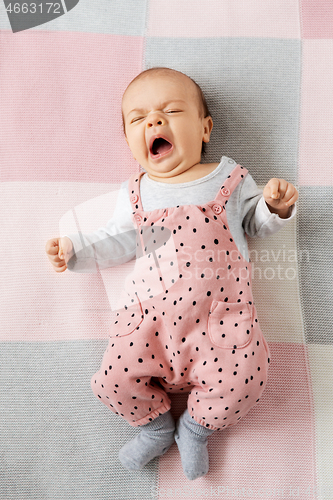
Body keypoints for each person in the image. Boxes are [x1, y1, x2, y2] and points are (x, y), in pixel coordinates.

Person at [46, 67, 298, 480]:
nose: (155, 121)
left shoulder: (230, 179)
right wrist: (75, 249)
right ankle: (155, 427)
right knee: (112, 379)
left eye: (171, 110)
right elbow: (117, 241)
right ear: (130, 142)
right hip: (149, 324)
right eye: (138, 118)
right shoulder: (136, 192)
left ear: (205, 128)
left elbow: (254, 223)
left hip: (221, 323)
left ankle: (195, 430)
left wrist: (275, 207)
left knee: (248, 377)